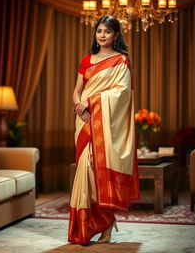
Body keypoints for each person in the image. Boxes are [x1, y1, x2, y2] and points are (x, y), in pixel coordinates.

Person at [68, 15, 140, 245]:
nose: (102, 35)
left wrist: (93, 101)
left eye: (107, 32)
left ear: (116, 35)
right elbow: (77, 90)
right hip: (84, 121)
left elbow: (122, 93)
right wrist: (79, 105)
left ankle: (106, 227)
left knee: (97, 173)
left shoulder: (121, 61)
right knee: (83, 172)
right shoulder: (87, 59)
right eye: (99, 30)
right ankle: (85, 228)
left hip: (104, 123)